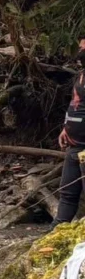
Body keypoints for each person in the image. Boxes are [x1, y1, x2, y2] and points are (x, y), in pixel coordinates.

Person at [53, 40, 85, 226]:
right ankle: (57, 229)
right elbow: (75, 104)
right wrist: (66, 127)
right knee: (67, 191)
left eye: (83, 49)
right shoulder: (80, 76)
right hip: (73, 143)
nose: (80, 52)